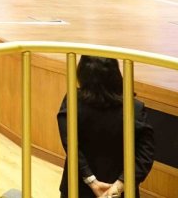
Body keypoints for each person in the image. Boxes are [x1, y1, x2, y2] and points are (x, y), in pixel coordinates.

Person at [57, 56, 155, 198]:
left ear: (81, 73)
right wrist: (120, 184)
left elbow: (71, 144)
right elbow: (145, 153)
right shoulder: (135, 108)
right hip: (122, 193)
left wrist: (91, 180)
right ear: (116, 74)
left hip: (77, 188)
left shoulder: (72, 101)